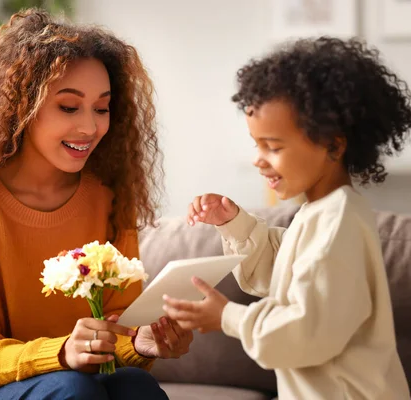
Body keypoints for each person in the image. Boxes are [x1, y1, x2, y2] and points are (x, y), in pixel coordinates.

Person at [0, 9, 193, 400]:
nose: (90, 127)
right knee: (72, 388)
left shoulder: (110, 195)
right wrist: (59, 353)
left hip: (78, 382)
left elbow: (119, 328)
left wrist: (142, 343)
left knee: (136, 386)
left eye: (102, 108)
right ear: (20, 108)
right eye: (69, 107)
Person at [163, 37, 411, 399]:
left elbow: (305, 331)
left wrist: (228, 316)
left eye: (273, 147)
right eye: (256, 144)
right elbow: (285, 271)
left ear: (334, 145)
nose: (258, 159)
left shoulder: (337, 224)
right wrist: (231, 221)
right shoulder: (324, 211)